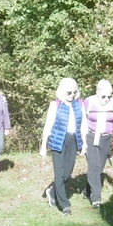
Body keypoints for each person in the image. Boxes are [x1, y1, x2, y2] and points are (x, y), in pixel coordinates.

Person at [39, 78, 85, 215]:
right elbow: (48, 125)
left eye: (74, 92)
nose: (72, 95)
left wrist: (85, 145)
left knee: (67, 173)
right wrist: (43, 146)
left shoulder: (79, 105)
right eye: (69, 92)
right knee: (59, 174)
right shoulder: (55, 105)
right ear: (62, 92)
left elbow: (84, 125)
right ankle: (65, 205)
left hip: (73, 141)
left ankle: (52, 191)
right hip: (58, 141)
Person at [82, 79, 113, 208]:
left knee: (99, 167)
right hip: (91, 136)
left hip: (106, 138)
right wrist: (83, 141)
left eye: (109, 96)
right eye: (103, 96)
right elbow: (82, 120)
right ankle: (96, 198)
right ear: (97, 93)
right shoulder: (89, 101)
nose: (106, 99)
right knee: (94, 166)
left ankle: (87, 190)